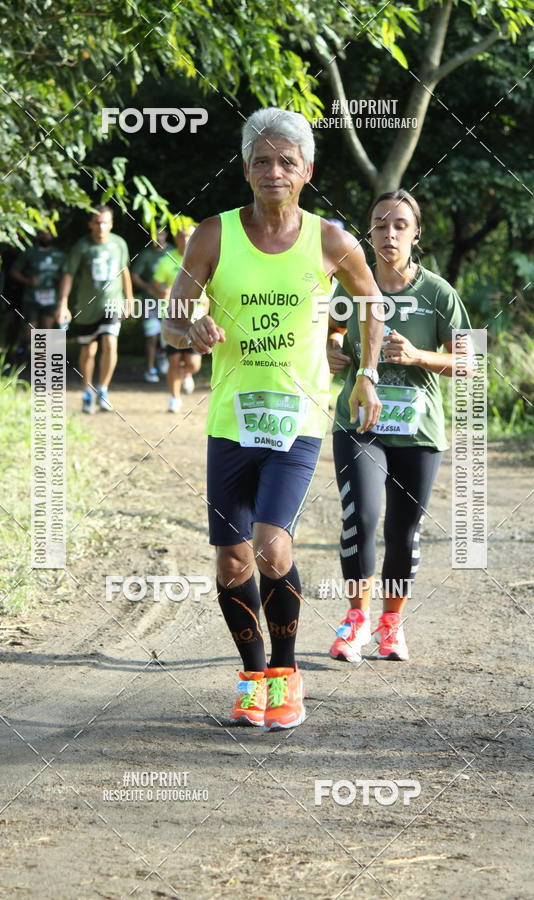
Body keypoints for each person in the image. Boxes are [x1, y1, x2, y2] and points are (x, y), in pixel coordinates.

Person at [163, 107, 383, 730]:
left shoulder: (331, 241)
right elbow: (170, 321)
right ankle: (252, 676)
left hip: (298, 419)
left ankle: (287, 674)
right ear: (245, 168)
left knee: (270, 545)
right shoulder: (212, 235)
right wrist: (191, 328)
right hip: (231, 419)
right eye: (262, 160)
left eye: (287, 161)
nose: (274, 171)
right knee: (232, 560)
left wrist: (366, 373)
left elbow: (371, 305)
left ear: (307, 170)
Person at [328, 189, 472, 663]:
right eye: (379, 225)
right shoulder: (348, 286)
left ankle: (391, 624)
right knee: (361, 518)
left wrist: (417, 356)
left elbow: (471, 361)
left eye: (399, 225)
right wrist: (331, 352)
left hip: (418, 431)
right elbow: (326, 334)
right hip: (360, 424)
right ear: (367, 232)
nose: (388, 234)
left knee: (403, 530)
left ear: (415, 234)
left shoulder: (438, 293)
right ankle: (356, 620)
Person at [55, 205, 133, 414]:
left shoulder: (119, 244)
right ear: (90, 224)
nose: (101, 227)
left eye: (105, 222)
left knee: (109, 342)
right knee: (88, 351)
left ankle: (103, 389)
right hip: (86, 307)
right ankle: (87, 390)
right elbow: (68, 275)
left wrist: (129, 299)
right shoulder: (82, 247)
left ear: (111, 224)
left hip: (112, 304)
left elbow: (124, 271)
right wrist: (63, 304)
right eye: (97, 222)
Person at [154, 222, 201, 412]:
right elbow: (156, 284)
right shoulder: (166, 261)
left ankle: (187, 374)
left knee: (193, 363)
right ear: (176, 238)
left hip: (196, 318)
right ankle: (174, 398)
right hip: (172, 317)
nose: (185, 239)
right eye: (182, 235)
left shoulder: (202, 260)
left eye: (190, 235)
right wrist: (161, 291)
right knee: (173, 359)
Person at [130, 228, 172, 382]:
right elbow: (134, 275)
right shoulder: (145, 255)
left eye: (161, 233)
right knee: (151, 336)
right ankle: (150, 369)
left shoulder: (174, 252)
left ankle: (163, 355)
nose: (158, 237)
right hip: (149, 303)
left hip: (171, 304)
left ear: (166, 234)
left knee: (167, 337)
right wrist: (148, 288)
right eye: (155, 234)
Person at [10, 230, 65, 345]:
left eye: (48, 233)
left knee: (47, 332)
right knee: (30, 334)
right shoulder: (29, 253)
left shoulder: (60, 255)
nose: (46, 236)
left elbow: (66, 276)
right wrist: (28, 281)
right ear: (38, 235)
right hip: (31, 298)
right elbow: (14, 272)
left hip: (51, 298)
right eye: (43, 233)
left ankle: (42, 361)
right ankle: (24, 349)